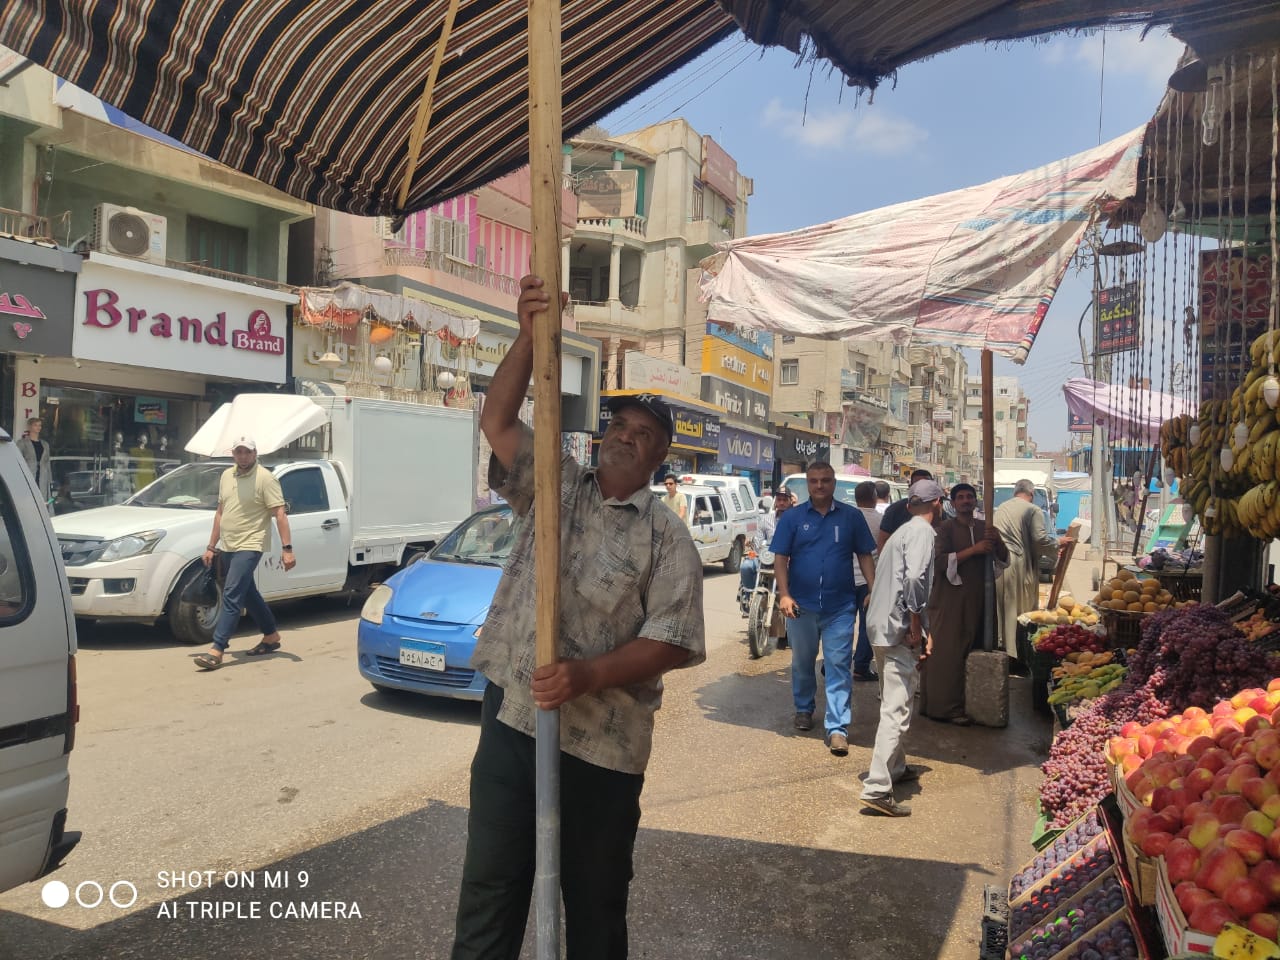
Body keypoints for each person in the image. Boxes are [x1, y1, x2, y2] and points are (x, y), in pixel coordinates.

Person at [451, 275, 705, 960]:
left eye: (642, 433)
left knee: (594, 908)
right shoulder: (555, 484)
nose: (623, 437)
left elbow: (672, 641)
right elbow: (498, 422)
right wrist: (529, 335)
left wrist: (588, 674)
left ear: (659, 458)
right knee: (489, 893)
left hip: (603, 748)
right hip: (515, 721)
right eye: (617, 425)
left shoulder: (667, 537)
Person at [772, 461, 877, 757]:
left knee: (838, 665)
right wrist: (784, 594)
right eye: (815, 481)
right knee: (802, 663)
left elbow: (865, 554)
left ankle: (837, 728)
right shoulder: (792, 518)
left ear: (834, 484)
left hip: (840, 607)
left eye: (826, 481)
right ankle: (804, 709)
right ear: (808, 483)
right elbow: (780, 558)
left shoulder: (851, 517)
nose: (820, 486)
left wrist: (873, 588)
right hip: (801, 606)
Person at [859, 479, 946, 817]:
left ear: (911, 506)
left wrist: (919, 624)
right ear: (937, 504)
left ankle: (895, 769)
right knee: (896, 709)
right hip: (896, 628)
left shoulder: (901, 532)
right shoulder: (922, 534)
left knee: (892, 699)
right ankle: (878, 788)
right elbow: (913, 581)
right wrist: (916, 624)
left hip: (880, 626)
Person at [193, 437, 294, 670]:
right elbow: (220, 512)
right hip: (228, 544)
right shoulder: (227, 476)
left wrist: (287, 549)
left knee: (231, 593)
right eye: (239, 452)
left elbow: (279, 513)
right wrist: (211, 546)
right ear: (233, 454)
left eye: (247, 452)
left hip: (251, 544)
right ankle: (271, 635)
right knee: (247, 592)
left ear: (255, 453)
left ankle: (217, 649)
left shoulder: (265, 478)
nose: (243, 456)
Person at [921, 483, 1008, 725]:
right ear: (953, 502)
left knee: (979, 647)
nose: (966, 501)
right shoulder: (944, 529)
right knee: (947, 654)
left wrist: (996, 541)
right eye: (961, 497)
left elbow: (1004, 559)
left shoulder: (985, 528)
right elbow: (938, 562)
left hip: (981, 598)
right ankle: (945, 708)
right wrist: (974, 550)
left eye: (970, 497)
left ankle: (976, 706)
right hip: (951, 600)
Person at [993, 478, 1070, 660]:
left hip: (998, 564)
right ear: (1032, 494)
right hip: (1018, 565)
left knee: (1001, 610)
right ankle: (1014, 654)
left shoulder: (1002, 507)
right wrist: (1058, 542)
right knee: (1019, 611)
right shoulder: (1033, 510)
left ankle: (1001, 647)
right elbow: (1040, 539)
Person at [738, 488, 791, 611]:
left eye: (785, 500)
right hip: (766, 558)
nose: (782, 502)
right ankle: (748, 595)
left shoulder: (795, 519)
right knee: (746, 566)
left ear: (790, 502)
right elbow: (759, 541)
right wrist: (755, 547)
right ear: (775, 501)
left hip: (787, 561)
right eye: (779, 499)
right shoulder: (765, 519)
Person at [851, 481, 883, 682]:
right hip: (869, 582)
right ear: (874, 497)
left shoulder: (848, 517)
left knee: (842, 625)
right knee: (867, 626)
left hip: (846, 579)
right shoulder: (881, 521)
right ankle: (861, 667)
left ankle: (832, 664)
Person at [877, 468, 933, 550]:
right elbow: (883, 540)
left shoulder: (938, 508)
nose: (922, 489)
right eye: (918, 485)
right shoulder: (895, 510)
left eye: (926, 486)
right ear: (910, 487)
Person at [17, 417, 51, 500]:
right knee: (28, 498)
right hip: (28, 474)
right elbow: (18, 461)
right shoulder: (22, 442)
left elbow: (47, 463)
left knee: (42, 498)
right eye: (35, 425)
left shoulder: (45, 444)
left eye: (40, 425)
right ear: (29, 427)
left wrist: (50, 480)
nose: (38, 427)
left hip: (43, 475)